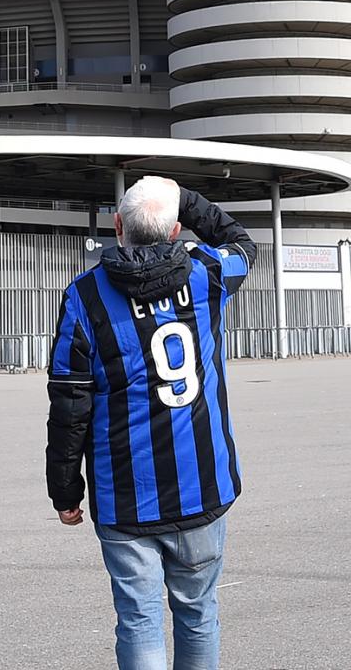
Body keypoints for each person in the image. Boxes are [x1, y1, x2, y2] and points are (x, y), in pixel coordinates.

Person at [47, 175, 258, 670]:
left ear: (117, 225)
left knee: (139, 620)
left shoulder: (85, 297)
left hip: (124, 493)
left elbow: (69, 405)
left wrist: (65, 490)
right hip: (202, 485)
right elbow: (242, 244)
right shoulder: (207, 273)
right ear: (176, 230)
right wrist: (183, 197)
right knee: (198, 613)